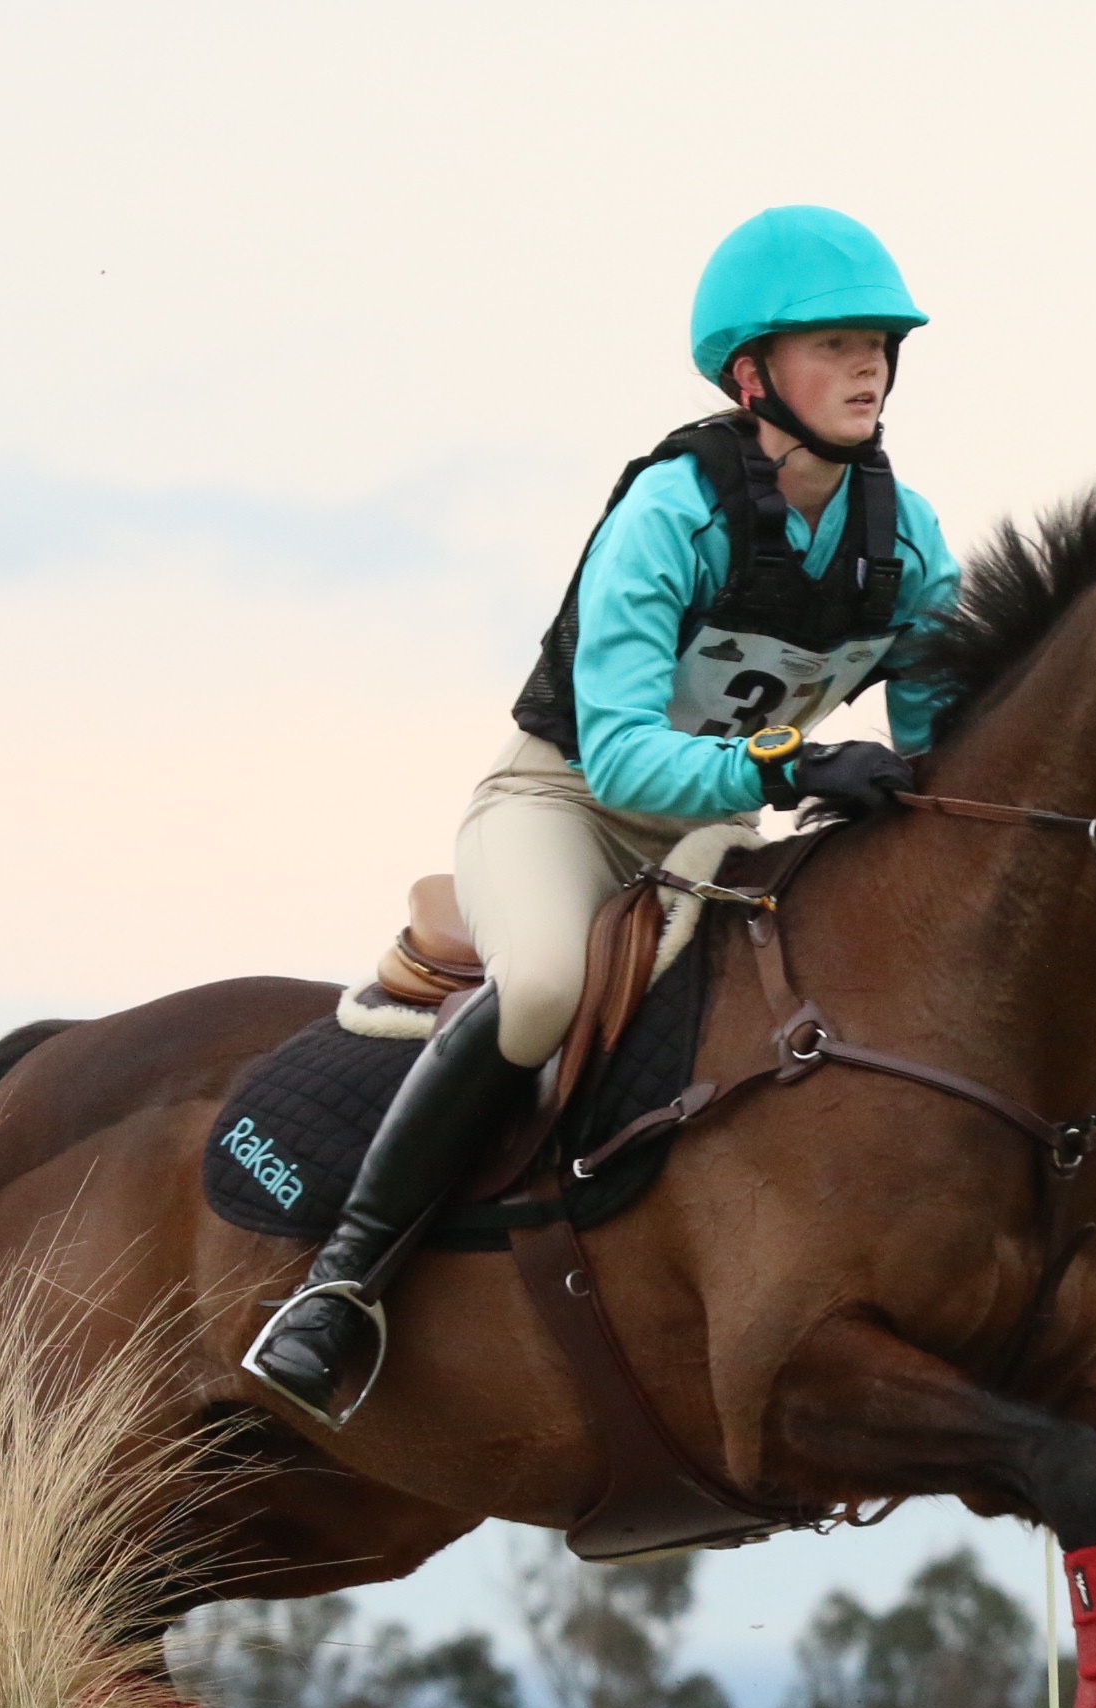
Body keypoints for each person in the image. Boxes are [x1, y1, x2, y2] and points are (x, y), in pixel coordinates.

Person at [243, 205, 963, 1427]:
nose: (870, 365)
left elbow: (939, 737)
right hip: (566, 804)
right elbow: (627, 756)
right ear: (753, 375)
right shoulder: (672, 512)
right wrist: (791, 767)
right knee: (539, 988)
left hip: (717, 837)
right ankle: (343, 1282)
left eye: (881, 342)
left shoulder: (909, 543)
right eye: (835, 342)